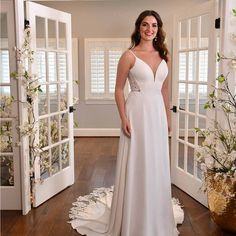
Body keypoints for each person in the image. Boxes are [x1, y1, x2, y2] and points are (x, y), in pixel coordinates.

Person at [69, 10, 184, 236]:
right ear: (138, 28)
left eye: (154, 25)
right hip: (137, 112)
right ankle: (134, 217)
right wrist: (123, 118)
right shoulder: (129, 56)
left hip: (157, 115)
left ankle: (155, 215)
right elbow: (119, 90)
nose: (149, 29)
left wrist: (168, 117)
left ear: (158, 29)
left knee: (156, 162)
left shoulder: (165, 55)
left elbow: (164, 89)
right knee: (137, 161)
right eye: (145, 25)